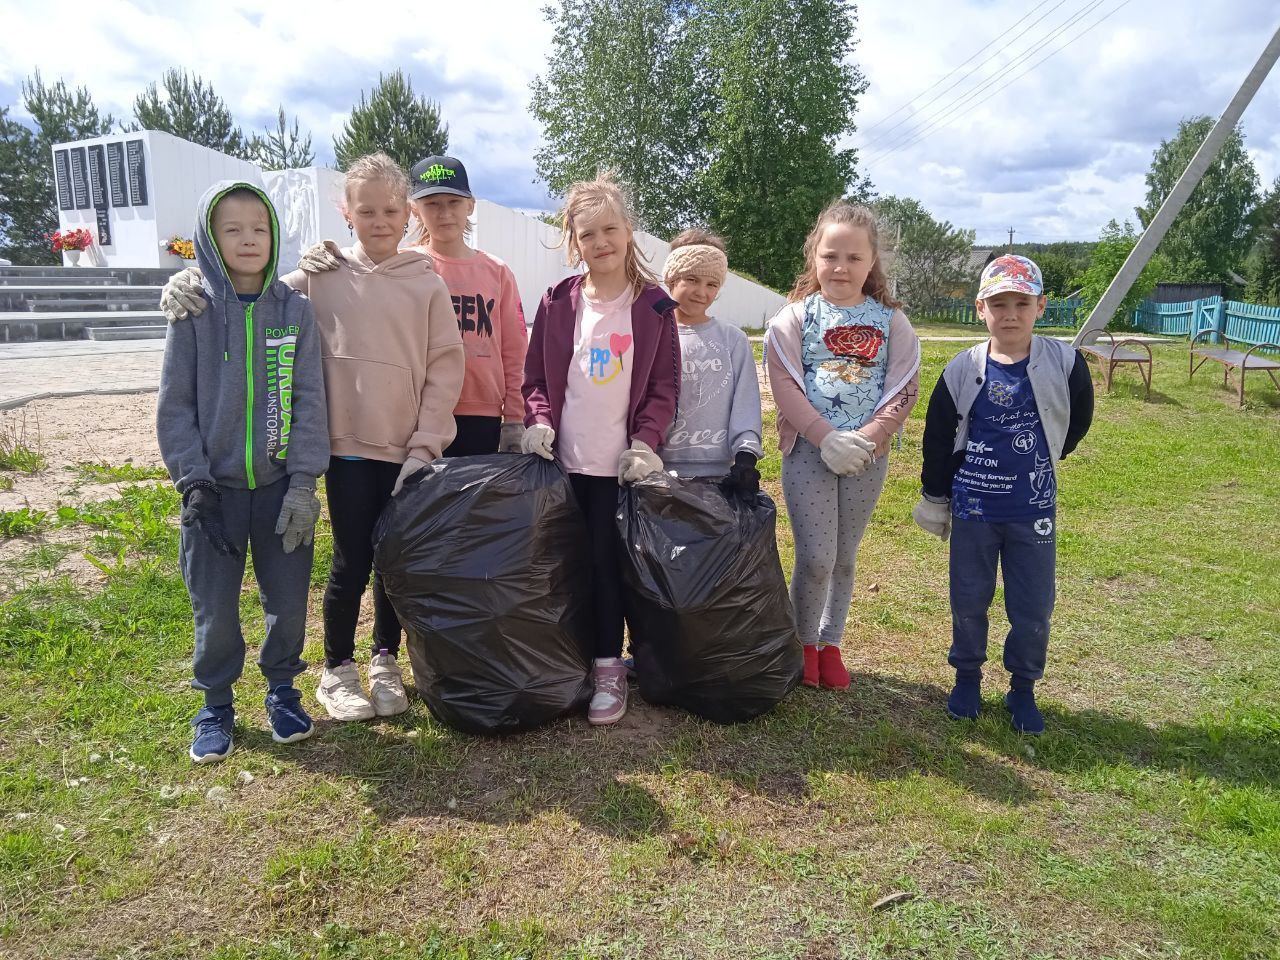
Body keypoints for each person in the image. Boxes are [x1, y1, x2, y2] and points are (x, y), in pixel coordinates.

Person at [158, 155, 466, 723]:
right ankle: (337, 667)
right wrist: (186, 278)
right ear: (346, 212)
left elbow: (445, 367)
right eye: (366, 209)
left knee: (393, 560)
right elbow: (251, 291)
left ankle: (384, 660)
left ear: (408, 215)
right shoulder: (317, 277)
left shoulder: (428, 285)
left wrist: (425, 444)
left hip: (405, 455)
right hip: (345, 452)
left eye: (391, 209)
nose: (379, 220)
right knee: (351, 561)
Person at [157, 181, 328, 763]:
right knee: (217, 607)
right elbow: (175, 405)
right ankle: (217, 703)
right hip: (215, 494)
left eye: (259, 227)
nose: (248, 238)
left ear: (275, 235)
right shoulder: (194, 312)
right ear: (211, 238)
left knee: (287, 599)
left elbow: (309, 399)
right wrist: (194, 482)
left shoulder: (296, 311)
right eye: (233, 229)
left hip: (281, 490)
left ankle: (282, 689)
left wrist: (304, 482)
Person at [521, 171, 680, 726]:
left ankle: (611, 669)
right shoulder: (557, 301)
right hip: (563, 466)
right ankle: (569, 663)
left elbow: (664, 387)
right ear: (573, 241)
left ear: (630, 230)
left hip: (621, 469)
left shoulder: (655, 307)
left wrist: (646, 442)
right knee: (567, 566)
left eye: (610, 229)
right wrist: (537, 422)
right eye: (587, 234)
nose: (600, 243)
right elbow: (537, 378)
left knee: (610, 567)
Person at [913, 254, 1093, 735]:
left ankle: (1022, 688)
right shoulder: (961, 369)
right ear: (980, 309)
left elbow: (1076, 422)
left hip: (1032, 511)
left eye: (1021, 302)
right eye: (999, 304)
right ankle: (967, 678)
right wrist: (936, 494)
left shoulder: (1066, 363)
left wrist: (1041, 464)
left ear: (1040, 306)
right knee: (969, 598)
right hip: (974, 507)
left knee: (1032, 605)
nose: (1010, 313)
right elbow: (938, 435)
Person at [765, 201, 921, 691]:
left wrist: (869, 438)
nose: (841, 267)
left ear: (872, 262)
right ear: (815, 256)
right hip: (810, 454)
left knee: (845, 557)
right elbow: (786, 383)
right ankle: (802, 643)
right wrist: (825, 437)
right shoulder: (794, 318)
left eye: (854, 258)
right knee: (815, 557)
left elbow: (903, 387)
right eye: (831, 255)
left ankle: (830, 643)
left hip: (866, 458)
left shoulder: (892, 322)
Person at [293, 155, 528, 456]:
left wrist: (515, 418)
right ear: (414, 210)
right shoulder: (402, 266)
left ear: (470, 205)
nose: (444, 213)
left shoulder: (497, 272)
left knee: (471, 503)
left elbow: (515, 351)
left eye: (453, 202)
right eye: (432, 204)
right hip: (415, 414)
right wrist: (319, 257)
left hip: (480, 413)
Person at [660, 229, 763, 500]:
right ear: (671, 277)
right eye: (692, 279)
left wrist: (745, 457)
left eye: (712, 284)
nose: (701, 292)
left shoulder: (733, 340)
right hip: (656, 472)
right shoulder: (653, 336)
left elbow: (746, 403)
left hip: (718, 476)